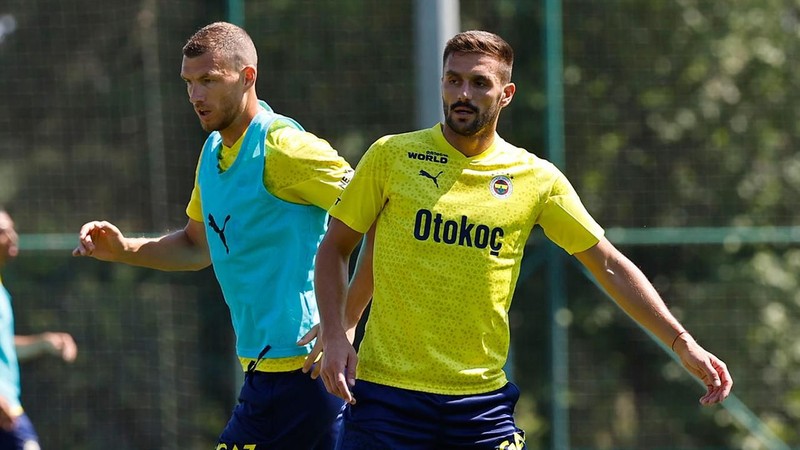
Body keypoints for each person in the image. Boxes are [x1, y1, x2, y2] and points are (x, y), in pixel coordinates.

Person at [309, 30, 733, 449]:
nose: (463, 93)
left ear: (506, 94)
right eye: (453, 79)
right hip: (387, 397)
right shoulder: (391, 156)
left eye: (479, 83)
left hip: (480, 406)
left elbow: (607, 263)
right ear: (442, 82)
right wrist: (335, 334)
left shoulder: (537, 179)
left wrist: (682, 342)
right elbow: (336, 247)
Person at [72, 22, 371, 449]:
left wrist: (344, 321)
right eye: (189, 83)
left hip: (307, 375)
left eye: (209, 81)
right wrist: (123, 248)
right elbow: (197, 247)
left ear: (248, 77)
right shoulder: (213, 152)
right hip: (263, 374)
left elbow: (378, 212)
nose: (196, 96)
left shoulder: (285, 148)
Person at [0, 208, 78, 450]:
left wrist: (44, 342)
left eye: (12, 229)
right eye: (2, 231)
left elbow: (4, 348)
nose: (12, 236)